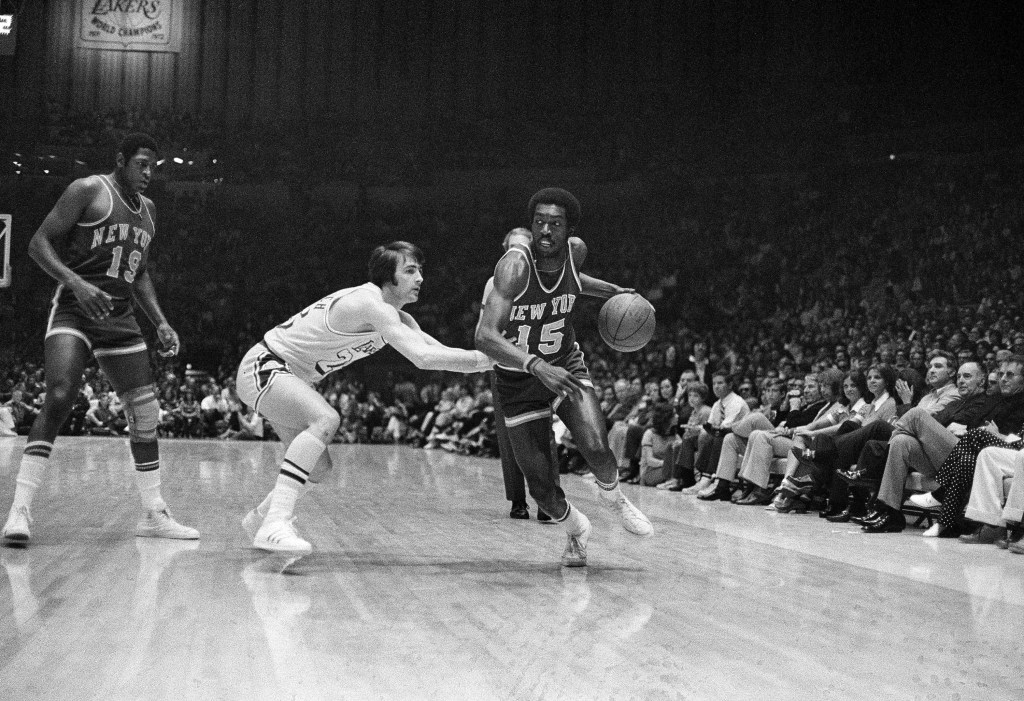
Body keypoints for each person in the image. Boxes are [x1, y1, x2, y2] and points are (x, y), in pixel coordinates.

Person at [2, 133, 198, 545]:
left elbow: (139, 271)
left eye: (153, 167)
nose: (148, 174)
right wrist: (76, 283)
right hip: (75, 306)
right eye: (141, 164)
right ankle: (19, 510)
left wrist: (160, 321)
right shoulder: (89, 189)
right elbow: (38, 243)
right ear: (121, 160)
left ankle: (153, 512)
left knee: (145, 414)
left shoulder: (149, 210)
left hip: (120, 315)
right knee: (59, 395)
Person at [238, 241, 494, 555]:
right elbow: (423, 359)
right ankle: (275, 523)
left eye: (420, 271)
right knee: (326, 418)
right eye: (411, 271)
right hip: (266, 365)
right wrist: (487, 360)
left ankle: (260, 518)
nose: (420, 279)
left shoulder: (397, 317)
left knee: (317, 468)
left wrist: (492, 356)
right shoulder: (369, 303)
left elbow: (439, 351)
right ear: (388, 278)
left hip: (287, 377)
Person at [475, 188, 652, 568]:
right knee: (542, 490)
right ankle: (576, 528)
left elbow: (574, 279)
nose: (545, 230)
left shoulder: (577, 252)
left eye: (555, 223)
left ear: (569, 229)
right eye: (539, 222)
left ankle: (613, 497)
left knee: (598, 447)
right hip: (519, 380)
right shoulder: (514, 267)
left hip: (566, 364)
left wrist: (613, 291)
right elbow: (484, 337)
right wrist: (536, 366)